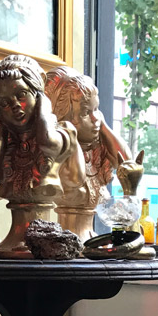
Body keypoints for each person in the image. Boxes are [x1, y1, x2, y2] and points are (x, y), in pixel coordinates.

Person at [43, 66, 130, 240]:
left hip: (92, 239)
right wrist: (68, 133)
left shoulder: (97, 150)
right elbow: (76, 179)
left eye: (96, 109)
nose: (95, 118)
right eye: (85, 112)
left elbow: (128, 166)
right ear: (62, 117)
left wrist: (103, 125)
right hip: (67, 238)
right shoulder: (60, 156)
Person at [0, 54, 82, 204]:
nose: (15, 105)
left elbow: (48, 143)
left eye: (21, 95)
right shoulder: (9, 142)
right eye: (4, 103)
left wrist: (43, 109)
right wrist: (2, 128)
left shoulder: (63, 130)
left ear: (37, 94)